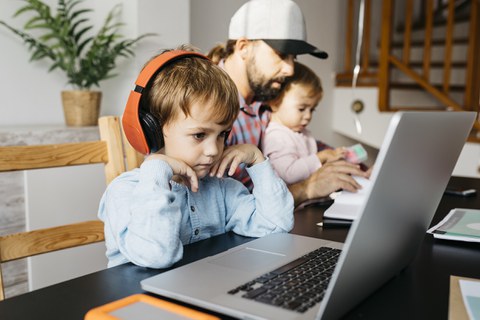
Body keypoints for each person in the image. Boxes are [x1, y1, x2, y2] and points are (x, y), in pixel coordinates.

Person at [98, 46, 294, 269]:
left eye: (222, 134)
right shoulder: (124, 192)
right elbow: (156, 255)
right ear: (153, 129)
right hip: (138, 299)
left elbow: (276, 225)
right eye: (199, 135)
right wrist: (155, 169)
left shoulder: (221, 190)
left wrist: (257, 160)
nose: (213, 150)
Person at [208, 0, 369, 205]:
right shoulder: (207, 102)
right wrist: (307, 188)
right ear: (244, 47)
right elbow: (224, 208)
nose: (290, 70)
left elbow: (300, 141)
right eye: (282, 55)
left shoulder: (265, 92)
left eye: (294, 58)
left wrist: (354, 168)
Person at [262, 61, 347, 185]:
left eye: (312, 109)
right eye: (301, 109)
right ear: (275, 102)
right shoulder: (277, 137)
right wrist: (320, 157)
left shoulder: (298, 131)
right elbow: (288, 174)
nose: (308, 116)